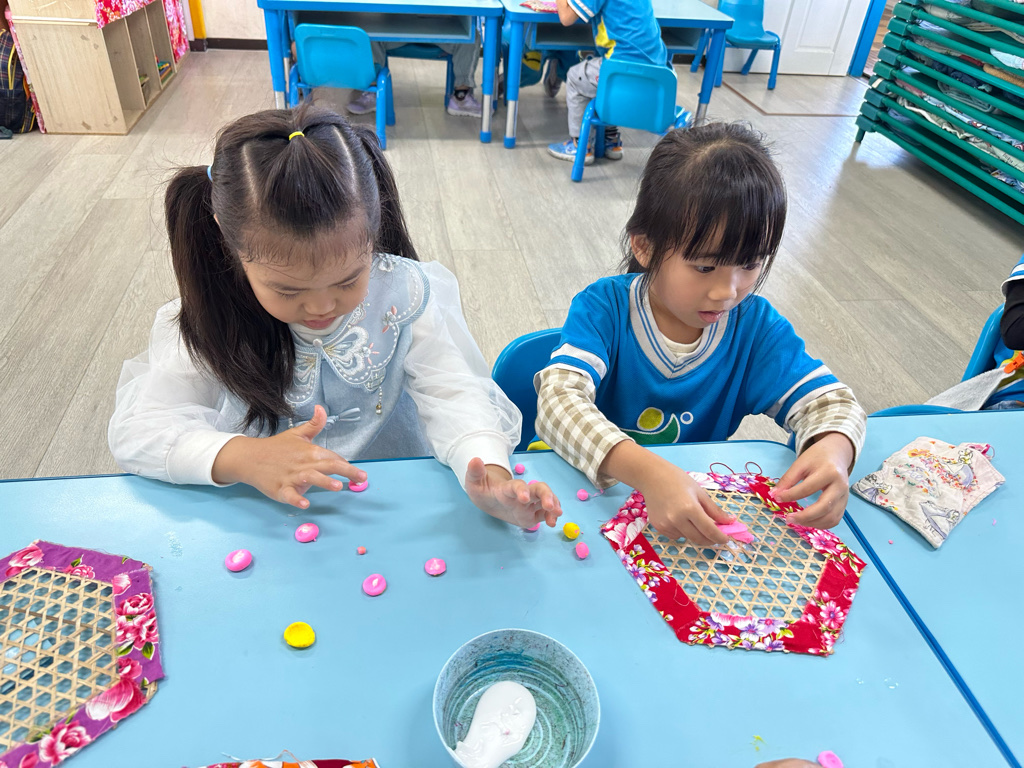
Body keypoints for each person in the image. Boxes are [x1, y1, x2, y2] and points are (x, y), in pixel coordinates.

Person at [109, 105, 561, 530]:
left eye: (348, 280)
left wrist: (488, 473)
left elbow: (453, 391)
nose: (322, 307)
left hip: (392, 503)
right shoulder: (215, 312)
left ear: (373, 230)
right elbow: (139, 429)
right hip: (266, 512)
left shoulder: (402, 294)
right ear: (230, 241)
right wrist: (243, 457)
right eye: (288, 290)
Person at [535, 123, 867, 546]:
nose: (727, 291)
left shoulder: (754, 328)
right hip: (588, 507)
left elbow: (832, 403)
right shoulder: (605, 308)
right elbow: (557, 402)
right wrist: (649, 473)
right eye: (705, 267)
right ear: (645, 247)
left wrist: (833, 448)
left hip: (685, 528)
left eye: (750, 264)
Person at [546, 0, 668, 164]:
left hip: (622, 70)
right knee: (607, 84)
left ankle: (580, 145)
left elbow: (566, 18)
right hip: (657, 74)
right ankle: (611, 139)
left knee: (576, 77)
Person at [347, 42, 484, 118]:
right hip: (400, 26)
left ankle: (461, 97)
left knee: (472, 36)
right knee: (370, 34)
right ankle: (374, 91)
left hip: (441, 27)